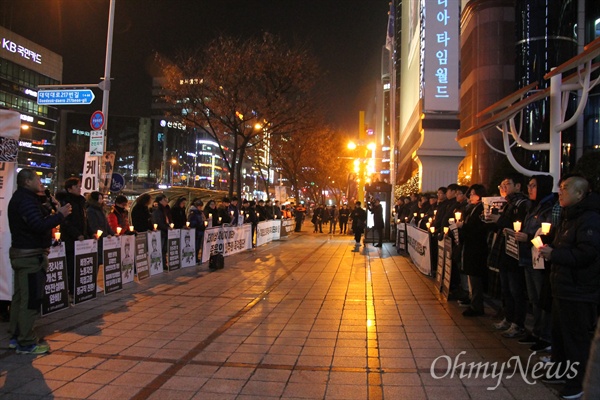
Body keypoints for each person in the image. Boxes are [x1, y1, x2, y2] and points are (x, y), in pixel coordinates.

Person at [539, 176, 600, 399]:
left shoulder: (590, 219)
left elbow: (587, 253)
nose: (560, 192)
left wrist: (554, 254)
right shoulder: (569, 216)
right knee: (561, 335)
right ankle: (561, 371)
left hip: (579, 289)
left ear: (580, 194)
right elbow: (564, 244)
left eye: (565, 189)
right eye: (560, 188)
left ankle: (578, 383)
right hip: (562, 287)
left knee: (576, 338)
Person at [8, 168, 72, 354]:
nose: (41, 181)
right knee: (29, 300)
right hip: (30, 257)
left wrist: (50, 205)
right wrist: (59, 215)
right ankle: (26, 342)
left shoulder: (24, 199)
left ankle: (16, 335)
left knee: (20, 298)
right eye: (37, 179)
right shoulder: (25, 200)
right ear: (27, 182)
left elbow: (37, 219)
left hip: (23, 254)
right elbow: (38, 225)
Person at [513, 175, 555, 352]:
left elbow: (547, 235)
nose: (529, 189)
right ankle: (537, 332)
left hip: (540, 260)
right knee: (533, 298)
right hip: (528, 257)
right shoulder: (533, 206)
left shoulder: (549, 208)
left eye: (533, 186)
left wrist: (528, 237)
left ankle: (545, 335)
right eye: (529, 185)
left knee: (540, 298)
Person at [489, 173, 531, 338]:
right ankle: (508, 317)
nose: (503, 188)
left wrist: (499, 220)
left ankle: (517, 323)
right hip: (504, 251)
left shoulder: (521, 204)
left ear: (518, 186)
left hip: (514, 252)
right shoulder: (507, 204)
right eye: (502, 185)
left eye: (507, 184)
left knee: (516, 290)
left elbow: (516, 227)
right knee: (506, 289)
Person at [457, 184, 488, 317]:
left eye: (473, 193)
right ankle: (473, 301)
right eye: (470, 194)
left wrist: (464, 226)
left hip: (477, 248)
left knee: (475, 277)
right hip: (469, 246)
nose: (470, 196)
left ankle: (477, 305)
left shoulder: (482, 209)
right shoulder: (472, 208)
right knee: (471, 277)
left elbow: (478, 229)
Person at [56, 177, 88, 295]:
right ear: (70, 188)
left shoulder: (81, 202)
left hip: (81, 240)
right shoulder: (66, 202)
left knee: (80, 266)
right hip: (70, 240)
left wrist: (88, 233)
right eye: (77, 186)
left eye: (80, 186)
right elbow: (65, 222)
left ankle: (78, 289)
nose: (79, 188)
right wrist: (77, 234)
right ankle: (70, 291)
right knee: (71, 266)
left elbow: (84, 220)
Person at [86, 191, 114, 264]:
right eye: (100, 198)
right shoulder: (90, 211)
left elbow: (106, 224)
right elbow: (94, 225)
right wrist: (104, 235)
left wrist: (113, 234)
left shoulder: (100, 210)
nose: (101, 201)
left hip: (103, 239)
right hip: (98, 239)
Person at [152, 194, 171, 270]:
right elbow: (159, 222)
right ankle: (161, 264)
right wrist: (167, 228)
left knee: (164, 249)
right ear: (160, 201)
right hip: (161, 232)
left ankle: (164, 263)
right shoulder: (158, 210)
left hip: (165, 231)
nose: (166, 202)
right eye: (165, 200)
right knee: (161, 248)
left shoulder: (165, 209)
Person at [187, 198, 206, 263]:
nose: (201, 207)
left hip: (200, 230)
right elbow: (192, 222)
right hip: (196, 231)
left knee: (198, 245)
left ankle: (196, 257)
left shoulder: (200, 213)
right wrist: (200, 225)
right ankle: (194, 257)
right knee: (195, 245)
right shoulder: (193, 213)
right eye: (200, 206)